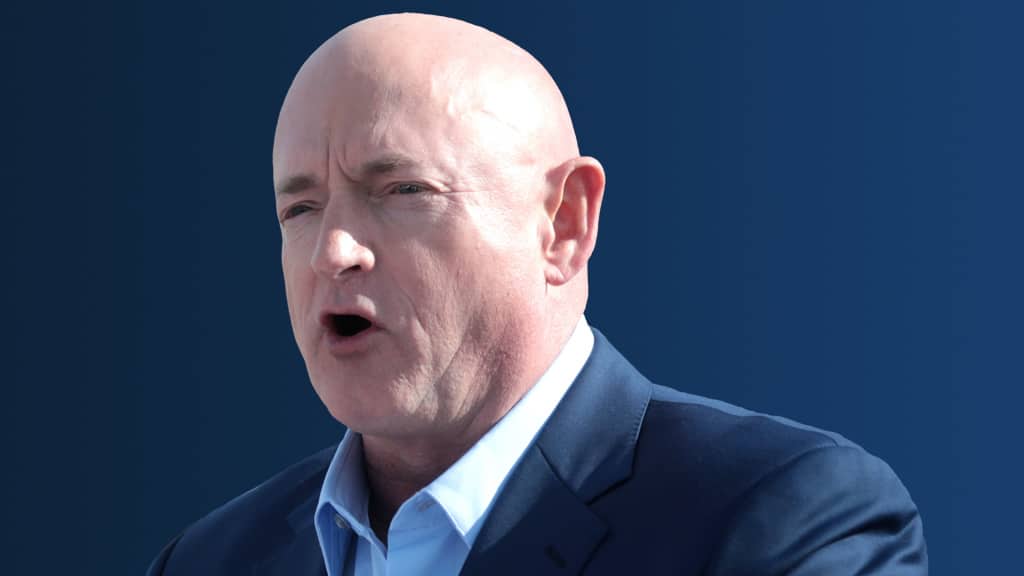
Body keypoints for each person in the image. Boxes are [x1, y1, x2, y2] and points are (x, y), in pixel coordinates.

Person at [147, 12, 927, 576]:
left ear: (563, 225)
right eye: (300, 208)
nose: (332, 252)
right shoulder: (211, 559)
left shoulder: (780, 521)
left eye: (403, 190)